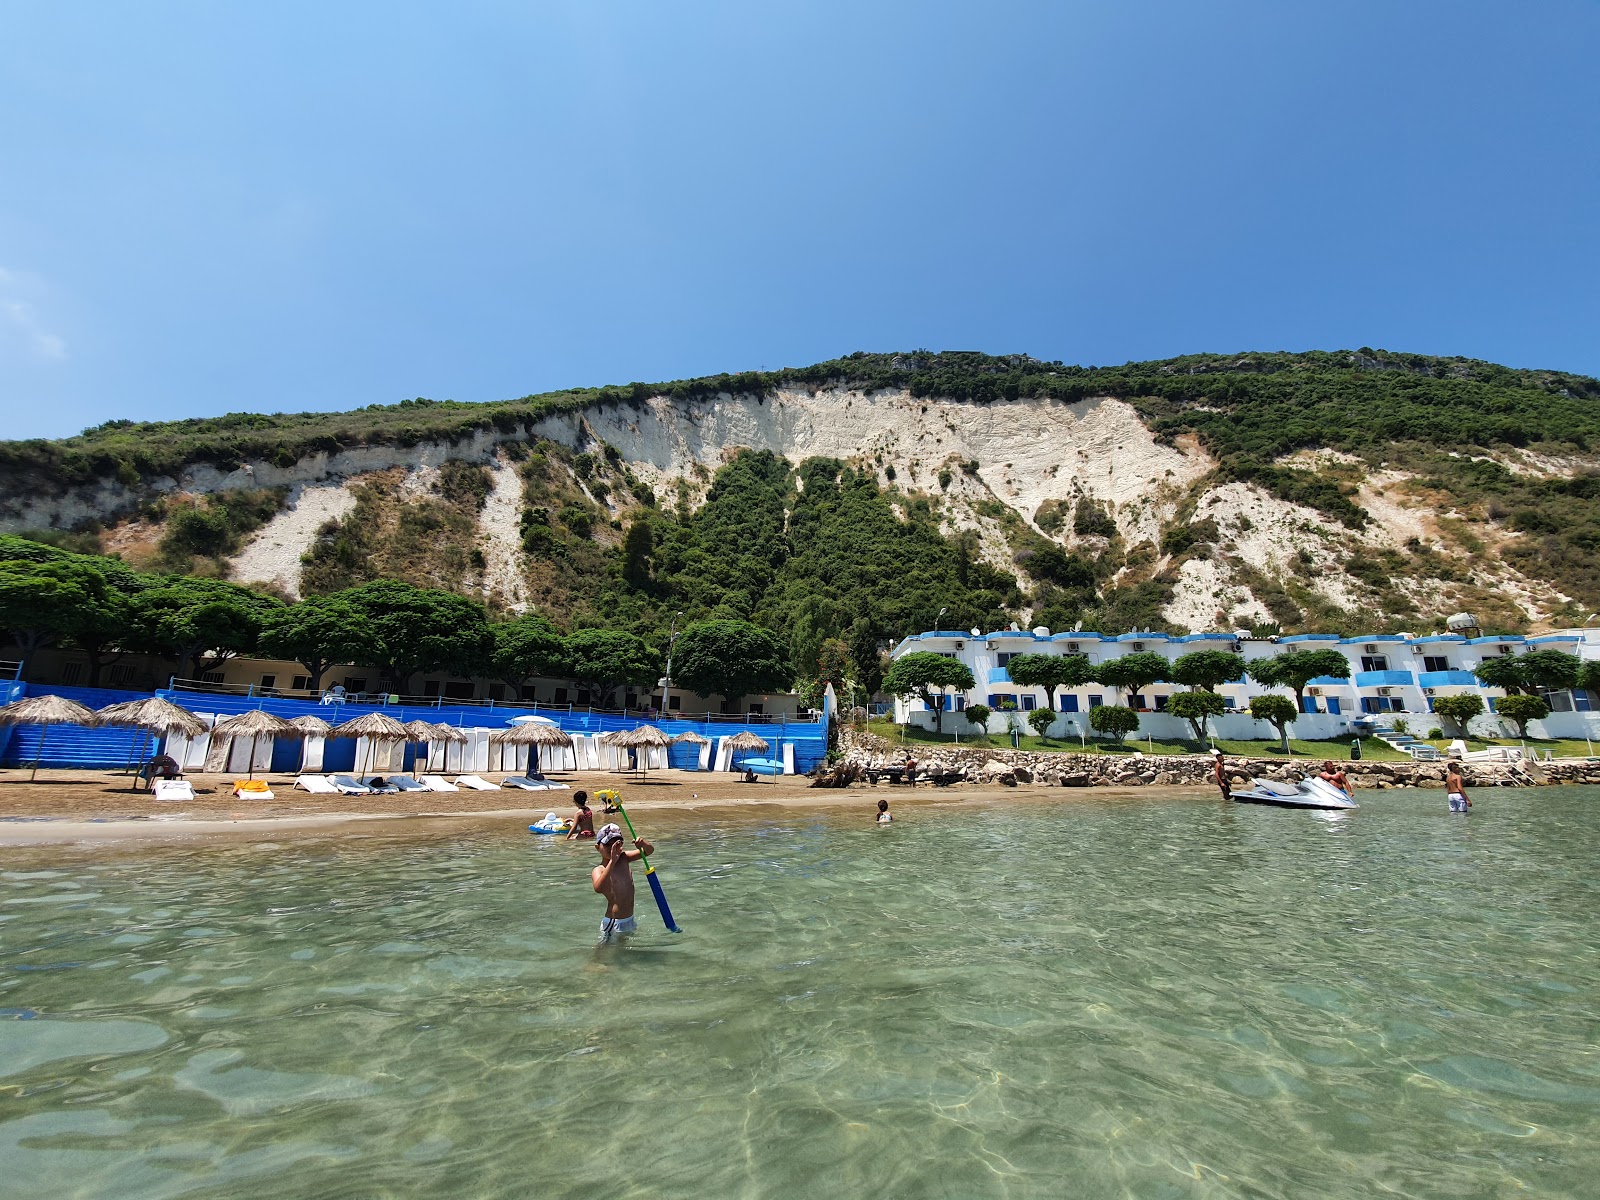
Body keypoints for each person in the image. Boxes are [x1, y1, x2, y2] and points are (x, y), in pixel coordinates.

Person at [592, 823, 655, 944]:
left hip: (629, 919)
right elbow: (598, 888)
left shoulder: (624, 858)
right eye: (607, 845)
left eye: (616, 845)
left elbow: (649, 851)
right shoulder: (599, 869)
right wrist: (612, 861)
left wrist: (643, 844)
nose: (612, 849)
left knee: (622, 953)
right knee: (604, 951)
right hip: (614, 922)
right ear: (597, 847)